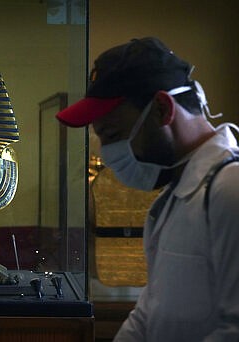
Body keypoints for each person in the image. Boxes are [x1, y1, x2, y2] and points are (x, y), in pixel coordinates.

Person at [56, 37, 239, 341]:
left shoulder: (228, 190)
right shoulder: (172, 197)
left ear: (162, 109)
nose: (109, 155)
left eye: (113, 134)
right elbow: (149, 313)